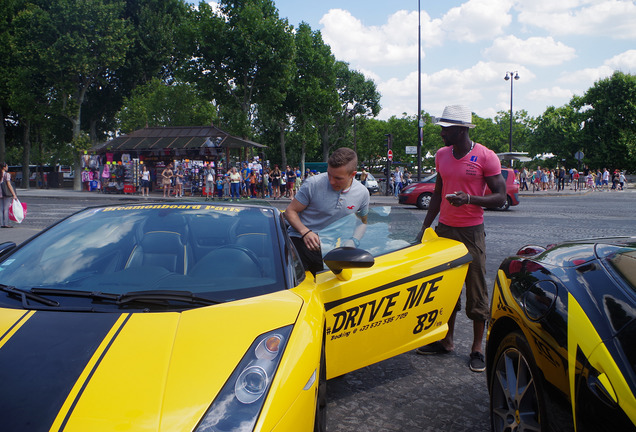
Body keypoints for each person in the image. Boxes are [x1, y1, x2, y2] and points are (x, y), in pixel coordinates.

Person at [414, 105, 506, 373]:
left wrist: (470, 199)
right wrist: (425, 228)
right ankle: (446, 341)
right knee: (446, 288)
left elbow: (500, 197)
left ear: (462, 130)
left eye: (446, 128)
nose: (441, 132)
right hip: (444, 230)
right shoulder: (442, 155)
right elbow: (437, 193)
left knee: (476, 291)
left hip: (471, 232)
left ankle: (478, 349)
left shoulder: (486, 157)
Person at [284, 147, 369, 276]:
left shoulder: (362, 193)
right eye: (329, 174)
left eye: (338, 178)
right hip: (299, 241)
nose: (331, 181)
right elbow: (290, 211)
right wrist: (305, 232)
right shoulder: (313, 183)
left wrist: (354, 240)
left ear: (352, 174)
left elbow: (362, 222)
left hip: (332, 249)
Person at [1, 163, 18, 228]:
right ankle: (6, 223)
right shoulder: (6, 174)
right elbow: (9, 185)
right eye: (7, 166)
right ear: (4, 167)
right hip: (5, 192)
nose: (7, 168)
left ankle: (1, 223)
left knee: (0, 208)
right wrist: (14, 194)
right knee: (6, 208)